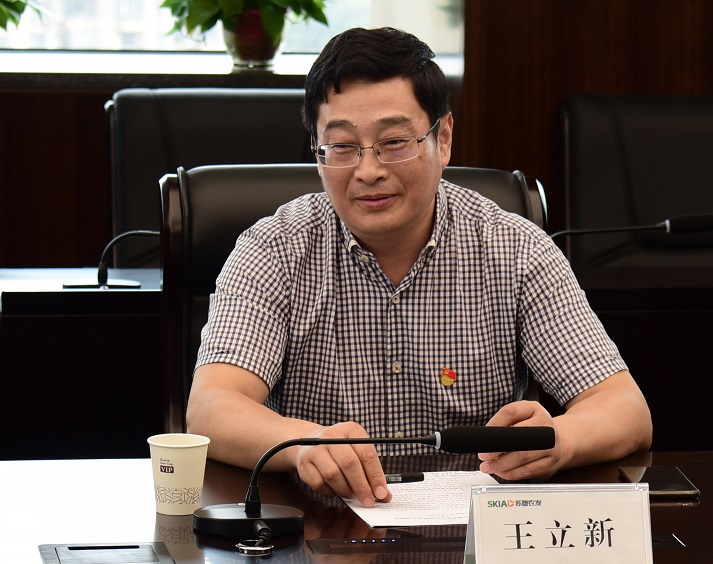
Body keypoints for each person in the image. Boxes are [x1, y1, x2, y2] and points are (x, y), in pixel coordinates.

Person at [186, 27, 652, 509]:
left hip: (472, 534)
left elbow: (625, 410)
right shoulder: (274, 250)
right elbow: (210, 409)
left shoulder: (514, 249)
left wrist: (557, 440)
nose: (368, 171)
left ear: (442, 139)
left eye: (394, 142)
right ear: (318, 152)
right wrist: (304, 444)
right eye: (342, 146)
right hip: (317, 530)